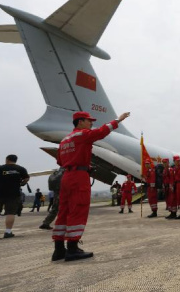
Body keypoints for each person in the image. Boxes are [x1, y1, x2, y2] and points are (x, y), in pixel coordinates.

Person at [51, 110, 130, 262]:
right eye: (89, 121)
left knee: (63, 211)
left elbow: (60, 161)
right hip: (78, 177)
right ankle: (72, 249)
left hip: (66, 176)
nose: (91, 123)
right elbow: (102, 132)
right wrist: (118, 120)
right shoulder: (82, 135)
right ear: (80, 122)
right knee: (78, 209)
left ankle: (59, 249)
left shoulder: (64, 140)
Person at [0, 154, 30, 239]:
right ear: (15, 160)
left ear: (7, 159)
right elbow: (27, 178)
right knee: (10, 213)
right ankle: (8, 232)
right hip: (13, 195)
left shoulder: (0, 168)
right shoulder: (20, 169)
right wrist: (23, 183)